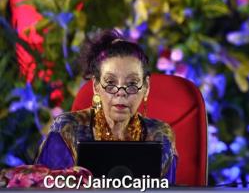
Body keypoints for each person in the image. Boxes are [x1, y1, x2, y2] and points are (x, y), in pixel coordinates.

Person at [36, 29, 178, 183]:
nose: (121, 93)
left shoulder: (160, 135)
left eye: (132, 83)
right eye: (110, 83)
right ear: (96, 85)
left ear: (146, 87)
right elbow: (45, 188)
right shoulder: (67, 130)